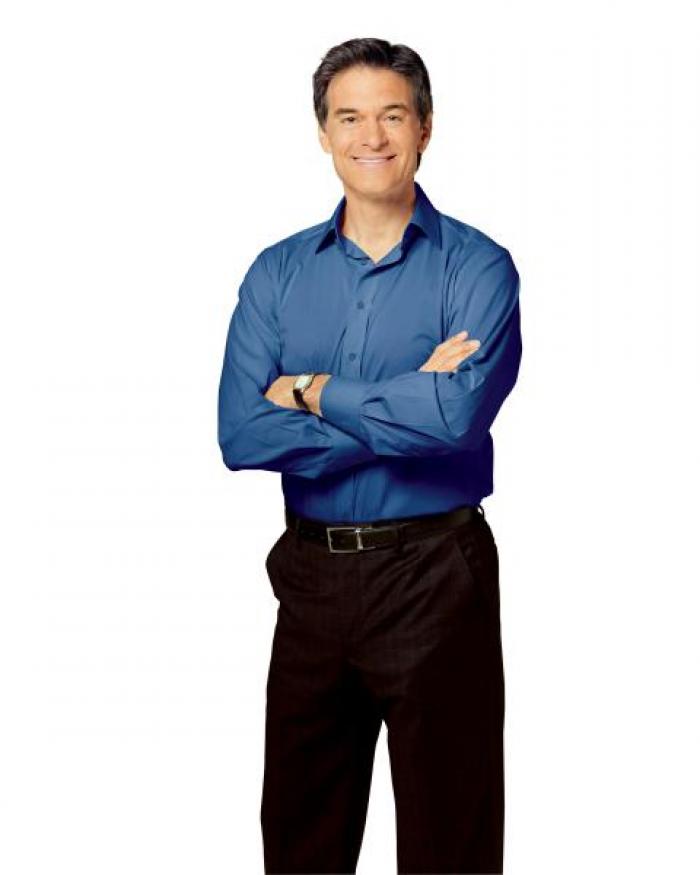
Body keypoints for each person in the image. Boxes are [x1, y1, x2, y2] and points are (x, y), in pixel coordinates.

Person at [217, 36, 522, 875]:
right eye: (349, 117)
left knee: (450, 843)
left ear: (426, 127)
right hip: (310, 579)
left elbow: (455, 420)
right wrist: (401, 402)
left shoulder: (477, 267)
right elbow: (242, 433)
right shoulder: (276, 274)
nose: (371, 136)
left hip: (437, 572)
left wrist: (312, 389)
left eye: (392, 115)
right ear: (323, 133)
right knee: (300, 840)